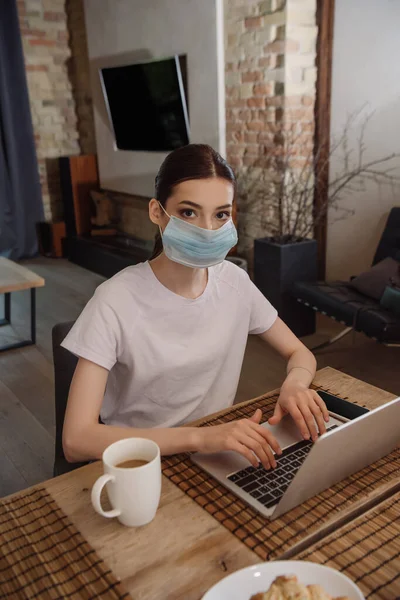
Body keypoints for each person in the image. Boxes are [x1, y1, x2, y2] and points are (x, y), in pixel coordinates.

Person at [62, 144, 329, 470]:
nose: (207, 230)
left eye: (220, 214)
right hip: (140, 461)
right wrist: (198, 438)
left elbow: (300, 354)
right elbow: (76, 440)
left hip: (216, 450)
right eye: (189, 212)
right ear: (156, 212)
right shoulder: (114, 300)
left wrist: (295, 384)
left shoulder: (235, 283)